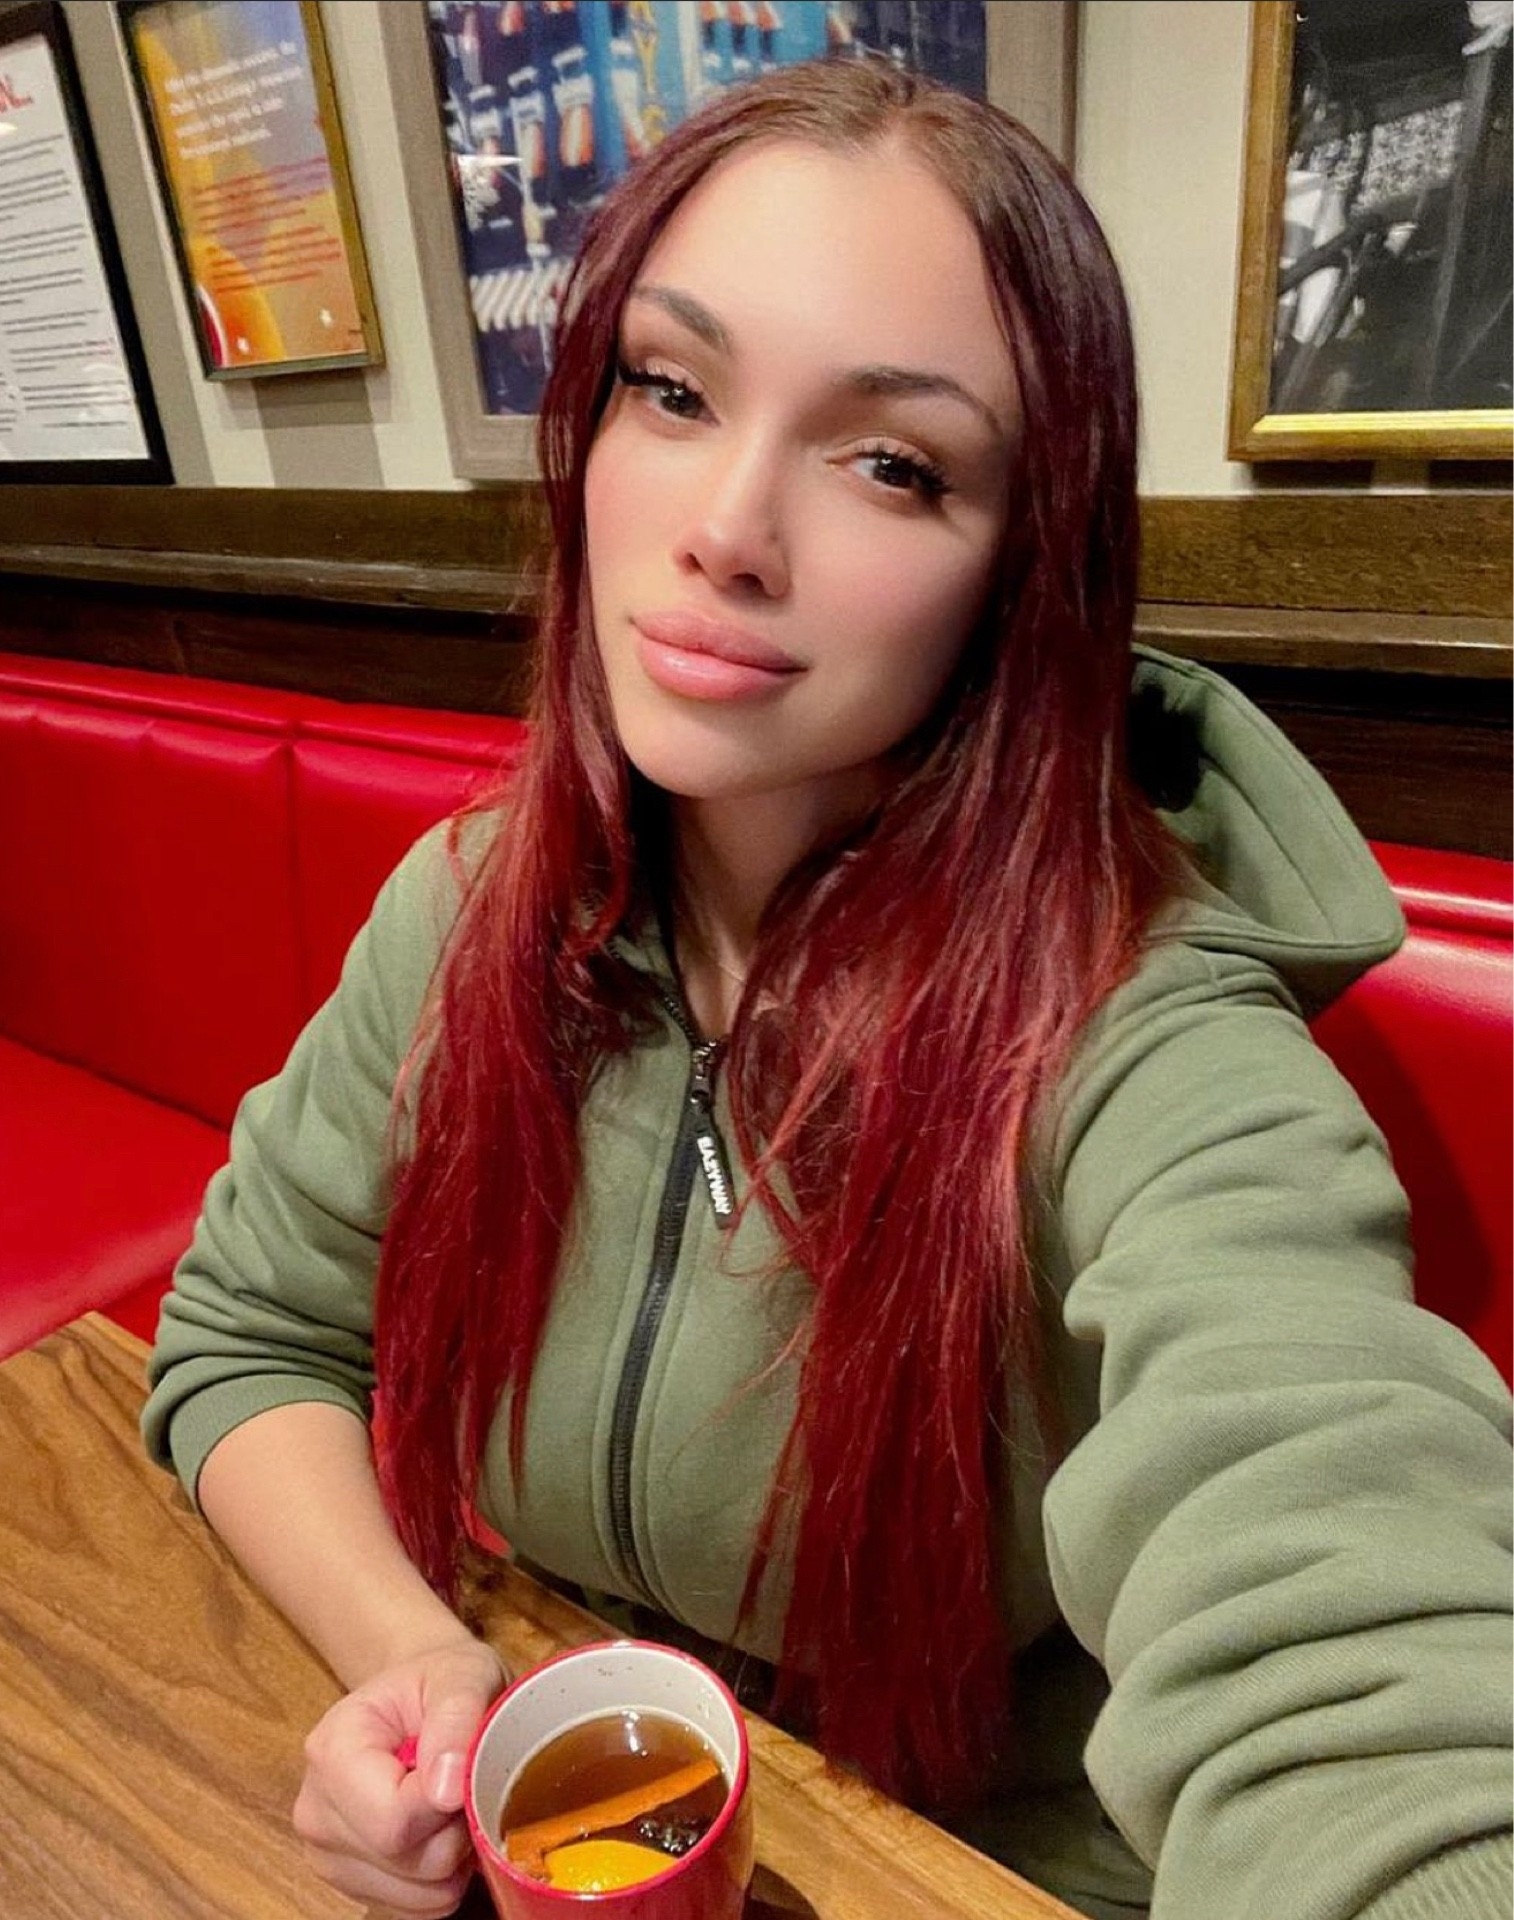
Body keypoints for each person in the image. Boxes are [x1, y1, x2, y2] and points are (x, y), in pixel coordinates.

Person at [142, 58, 1513, 1920]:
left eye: (892, 463)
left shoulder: (1147, 1039)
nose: (725, 525)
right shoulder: (474, 907)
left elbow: (1343, 1613)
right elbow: (251, 1335)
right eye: (672, 388)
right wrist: (415, 1658)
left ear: (1020, 567)